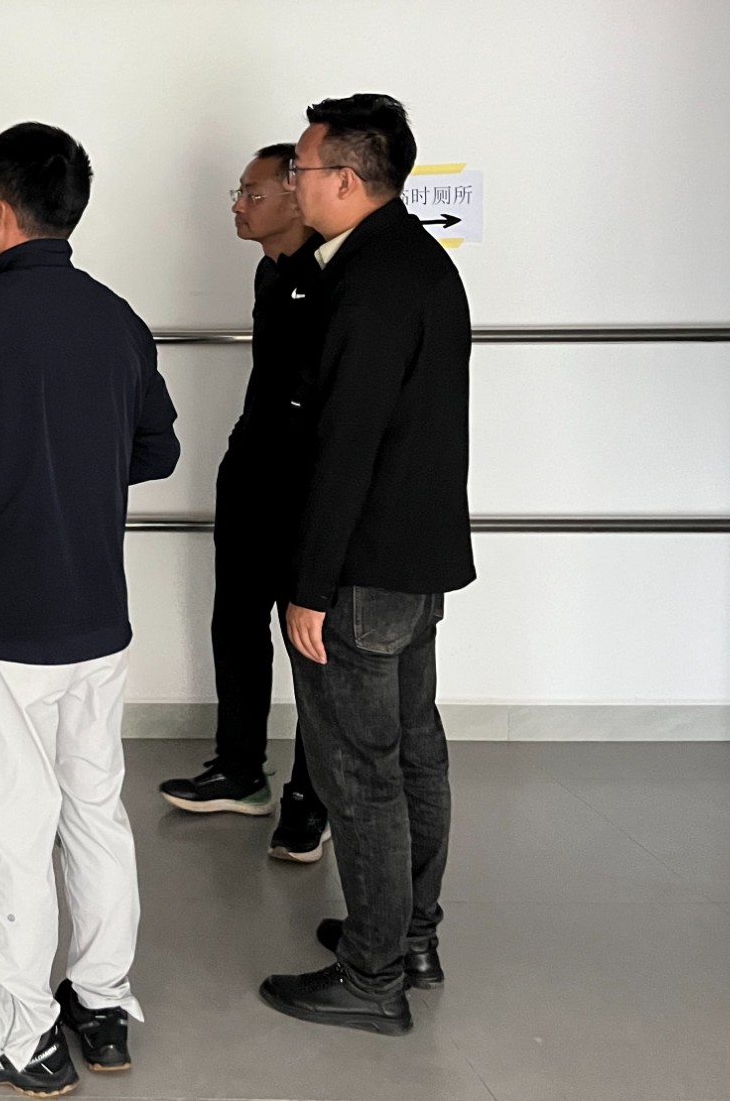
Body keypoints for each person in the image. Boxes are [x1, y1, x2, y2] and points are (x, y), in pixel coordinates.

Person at [0, 123, 180, 1096]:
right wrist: (75, 464)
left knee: (14, 830)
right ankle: (101, 1004)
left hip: (4, 618)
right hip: (95, 613)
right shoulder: (117, 318)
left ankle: (19, 1038)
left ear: (0, 211)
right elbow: (158, 449)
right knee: (94, 811)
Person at [258, 94, 473, 1036]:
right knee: (413, 752)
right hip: (413, 560)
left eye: (300, 170)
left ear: (346, 180)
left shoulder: (368, 281)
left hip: (359, 569)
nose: (293, 183)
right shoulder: (415, 260)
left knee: (361, 772)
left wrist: (310, 587)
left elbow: (343, 446)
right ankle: (409, 936)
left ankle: (373, 975)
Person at [160, 143, 331, 862]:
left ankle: (311, 798)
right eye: (237, 192)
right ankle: (239, 769)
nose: (238, 205)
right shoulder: (270, 273)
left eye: (252, 194)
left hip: (305, 487)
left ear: (296, 195)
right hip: (252, 474)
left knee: (311, 643)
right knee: (235, 621)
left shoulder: (332, 274)